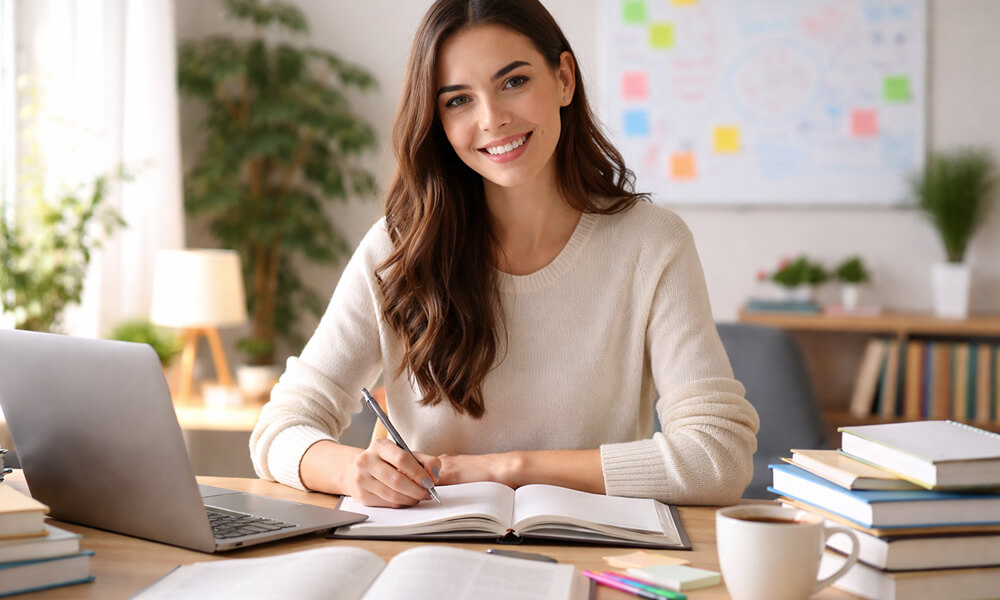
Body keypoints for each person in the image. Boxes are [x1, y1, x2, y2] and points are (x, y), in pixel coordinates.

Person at [250, 0, 759, 508]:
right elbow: (281, 427)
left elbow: (718, 456)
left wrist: (508, 469)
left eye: (514, 82)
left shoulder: (652, 243)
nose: (492, 119)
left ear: (563, 78)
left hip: (589, 556)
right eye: (457, 101)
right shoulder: (398, 249)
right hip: (429, 560)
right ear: (437, 120)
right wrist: (351, 471)